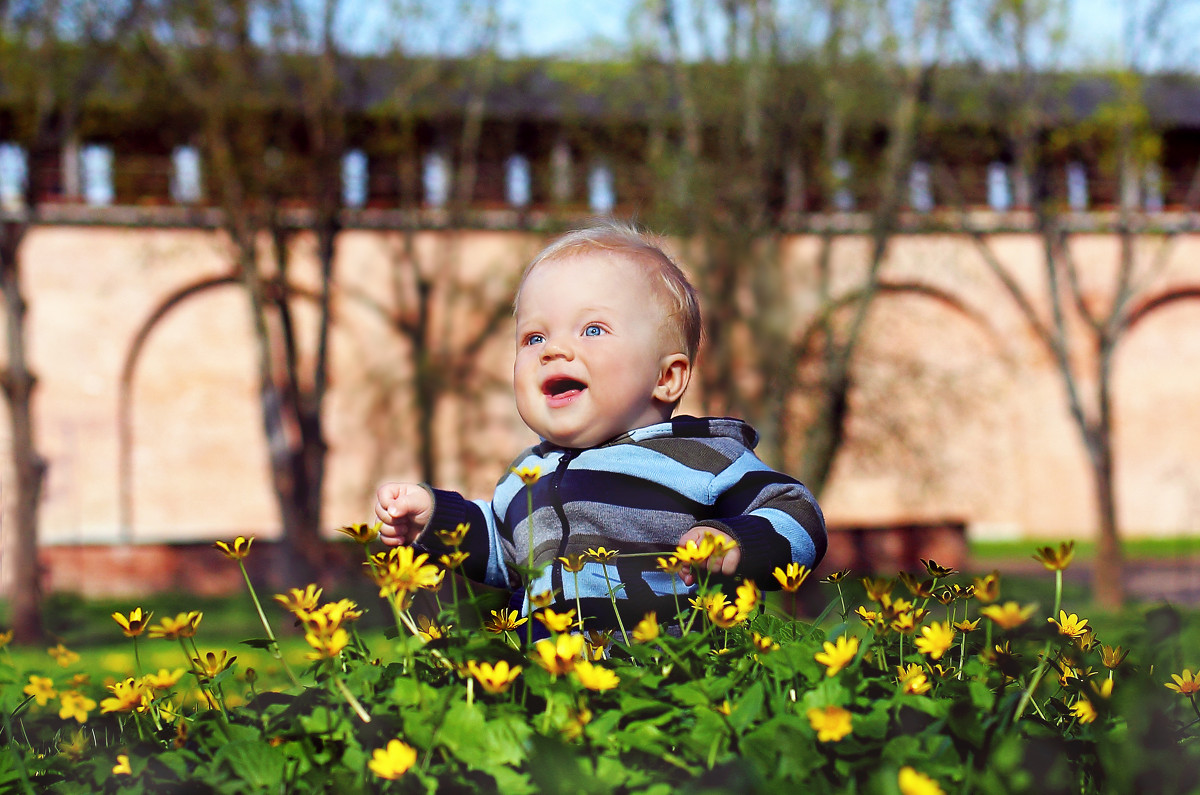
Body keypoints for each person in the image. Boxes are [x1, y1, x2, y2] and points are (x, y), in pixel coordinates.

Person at [374, 221, 825, 636]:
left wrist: (736, 541)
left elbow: (799, 514)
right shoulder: (525, 478)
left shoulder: (701, 458)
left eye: (592, 329)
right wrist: (436, 520)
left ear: (665, 378)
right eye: (534, 338)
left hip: (666, 679)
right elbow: (504, 550)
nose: (553, 350)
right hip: (550, 680)